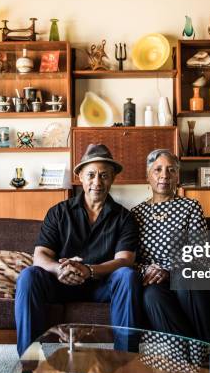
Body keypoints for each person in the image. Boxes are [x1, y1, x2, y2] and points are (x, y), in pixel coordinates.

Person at [15, 144, 142, 356]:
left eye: (104, 175)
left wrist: (89, 270)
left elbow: (124, 260)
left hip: (102, 285)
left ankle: (125, 363)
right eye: (91, 175)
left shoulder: (125, 217)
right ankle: (30, 365)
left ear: (113, 178)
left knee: (128, 276)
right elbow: (41, 255)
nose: (97, 182)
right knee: (28, 275)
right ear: (80, 176)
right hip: (60, 282)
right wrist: (58, 269)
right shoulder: (58, 212)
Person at [131, 149, 210, 343]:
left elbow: (198, 252)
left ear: (177, 176)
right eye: (158, 170)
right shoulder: (135, 214)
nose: (164, 175)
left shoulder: (190, 207)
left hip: (189, 274)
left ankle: (207, 357)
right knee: (151, 296)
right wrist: (150, 270)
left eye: (171, 170)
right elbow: (131, 259)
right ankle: (187, 357)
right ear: (148, 176)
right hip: (155, 279)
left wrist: (169, 271)